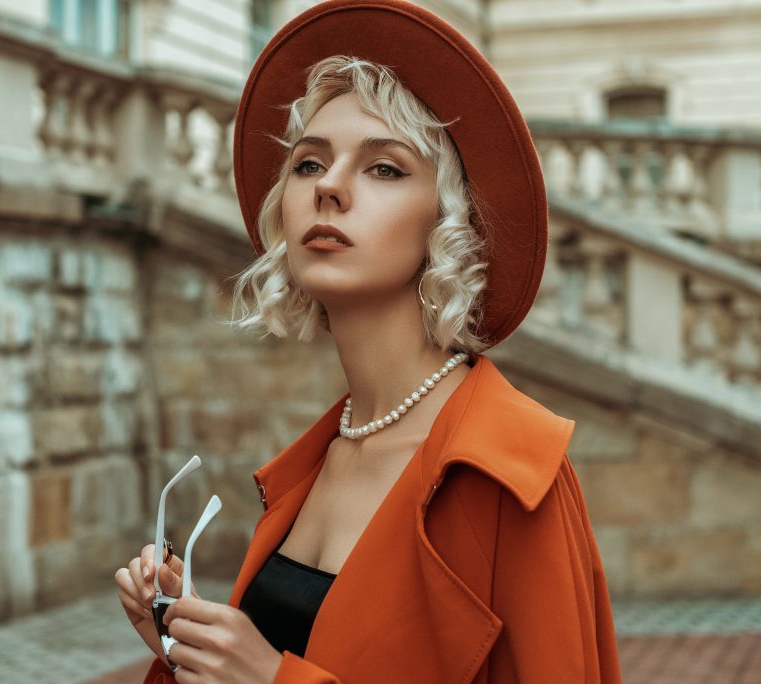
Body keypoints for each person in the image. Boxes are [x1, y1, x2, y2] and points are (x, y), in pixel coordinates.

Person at [114, 1, 623, 682]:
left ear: (448, 223)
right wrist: (190, 648)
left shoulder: (511, 477)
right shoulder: (322, 455)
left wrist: (272, 678)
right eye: (307, 164)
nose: (328, 186)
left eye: (383, 168)